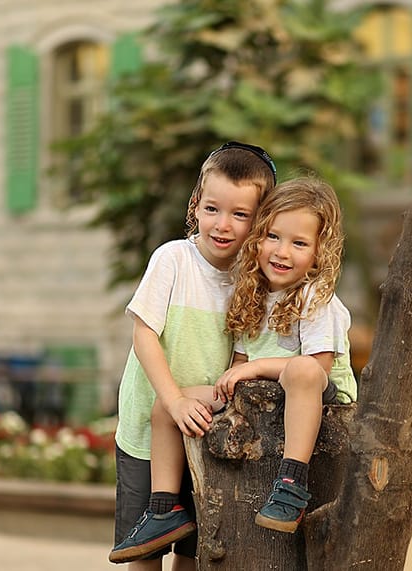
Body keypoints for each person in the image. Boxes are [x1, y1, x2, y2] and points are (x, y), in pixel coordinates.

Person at [112, 176, 357, 563]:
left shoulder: (315, 296)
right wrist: (220, 388)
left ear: (319, 252)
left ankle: (292, 482)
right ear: (258, 236)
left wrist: (254, 368)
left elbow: (318, 366)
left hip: (316, 399)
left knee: (302, 372)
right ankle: (164, 509)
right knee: (169, 405)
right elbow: (240, 365)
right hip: (263, 400)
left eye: (299, 243)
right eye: (273, 236)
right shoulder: (254, 295)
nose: (282, 252)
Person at [109, 141, 278, 569]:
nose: (222, 225)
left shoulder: (251, 281)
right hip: (148, 432)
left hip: (205, 432)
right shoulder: (173, 260)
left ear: (260, 221)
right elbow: (144, 334)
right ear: (195, 204)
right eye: (212, 209)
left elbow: (242, 358)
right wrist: (175, 401)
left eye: (241, 215)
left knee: (196, 551)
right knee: (145, 549)